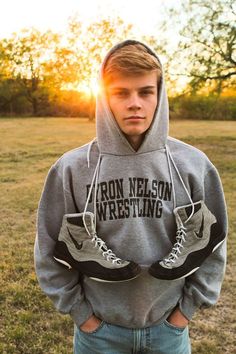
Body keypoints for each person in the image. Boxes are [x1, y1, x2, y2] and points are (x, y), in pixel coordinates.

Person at [34, 40, 227, 354]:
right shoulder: (71, 169)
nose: (134, 103)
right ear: (104, 97)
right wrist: (83, 317)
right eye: (121, 93)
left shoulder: (193, 165)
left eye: (145, 92)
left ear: (159, 95)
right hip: (99, 335)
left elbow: (214, 245)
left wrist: (184, 314)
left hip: (169, 332)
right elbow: (48, 250)